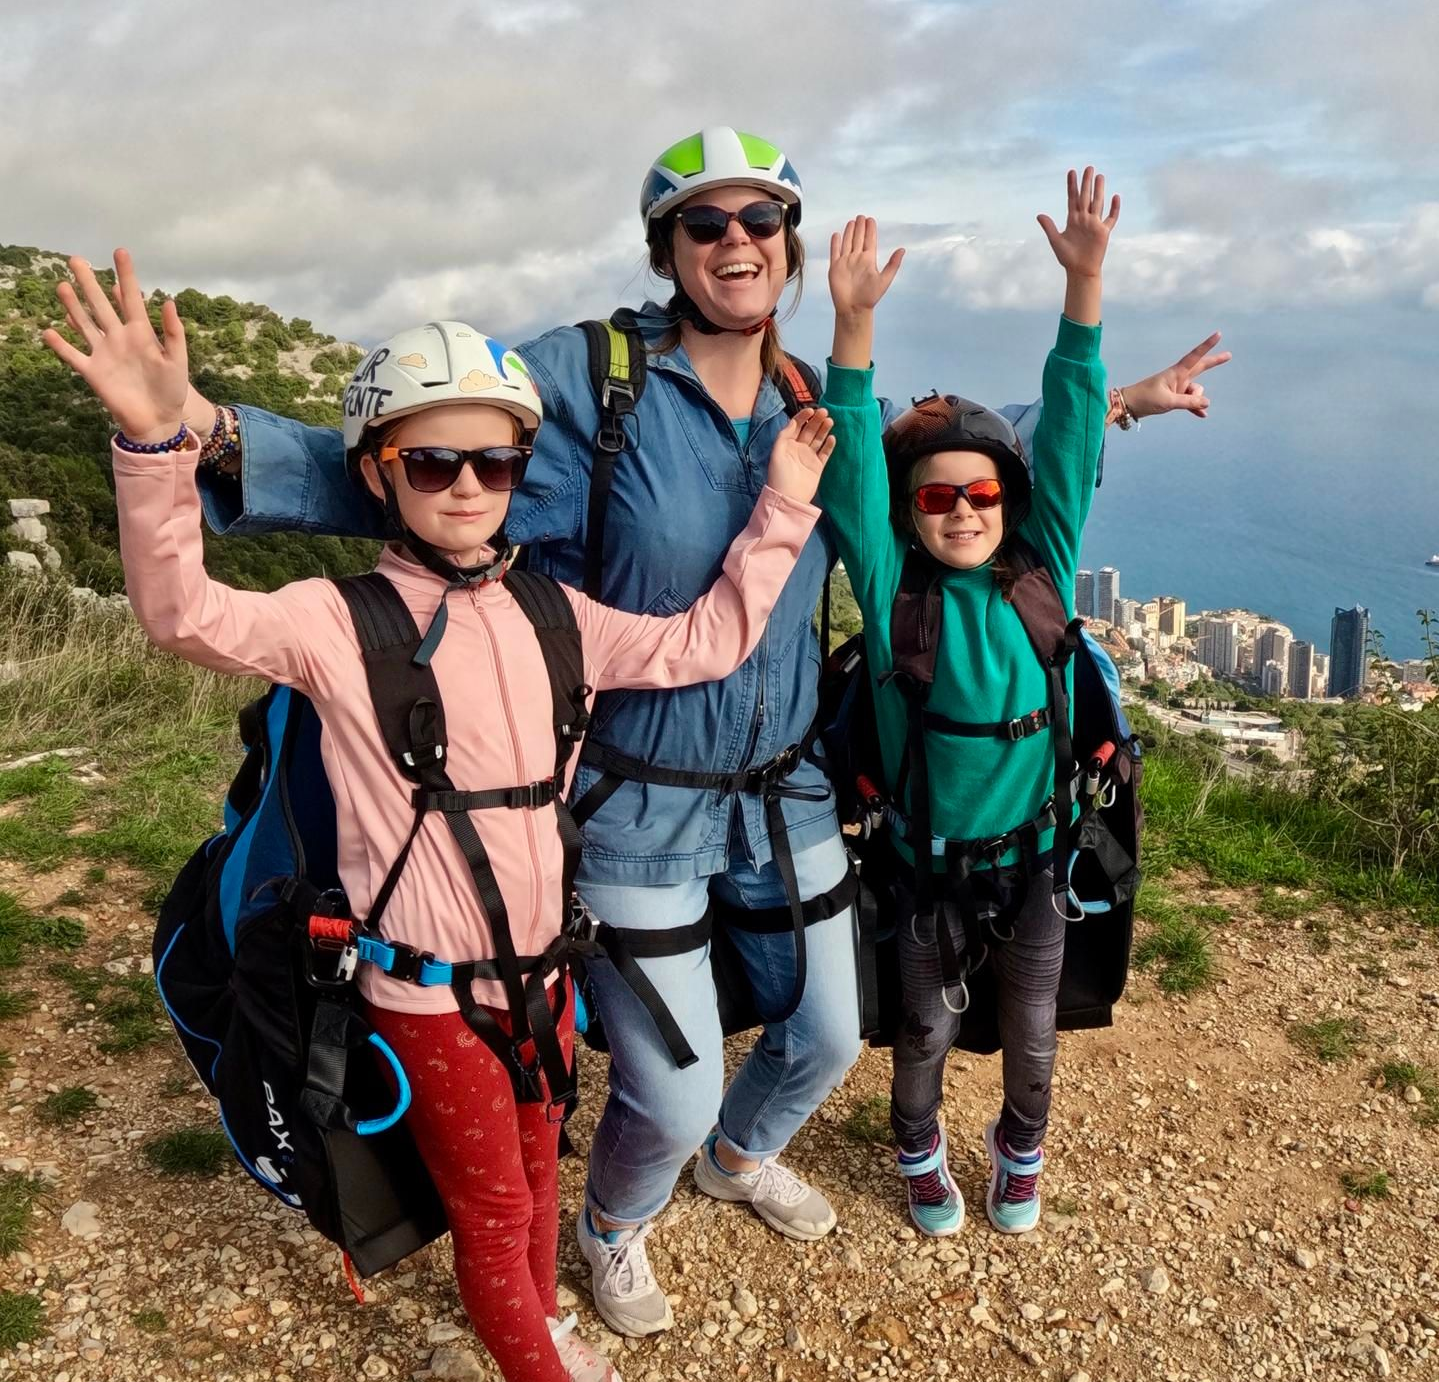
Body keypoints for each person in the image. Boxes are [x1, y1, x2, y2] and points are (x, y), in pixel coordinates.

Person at [158, 127, 1228, 1334]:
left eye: (760, 221)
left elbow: (940, 462)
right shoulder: (591, 375)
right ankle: (614, 1220)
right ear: (664, 245)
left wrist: (1121, 398)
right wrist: (219, 435)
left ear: (790, 242)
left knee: (829, 1032)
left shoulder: (815, 400)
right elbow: (421, 440)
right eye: (706, 223)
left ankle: (734, 1154)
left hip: (791, 786)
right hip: (635, 795)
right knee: (664, 1088)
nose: (736, 243)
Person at [42, 250, 837, 1381]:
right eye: (433, 461)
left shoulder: (553, 610)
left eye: (498, 461)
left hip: (544, 976)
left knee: (536, 1169)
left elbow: (704, 640)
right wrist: (154, 448)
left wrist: (782, 506)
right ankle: (535, 1357)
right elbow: (180, 613)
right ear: (378, 474)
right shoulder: (333, 621)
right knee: (490, 1203)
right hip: (423, 994)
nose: (468, 486)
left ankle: (538, 1317)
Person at [819, 169, 1153, 1237]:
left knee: (1032, 1028)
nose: (960, 510)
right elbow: (853, 479)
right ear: (909, 511)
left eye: (979, 494)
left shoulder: (1039, 569)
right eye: (934, 496)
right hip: (925, 865)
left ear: (1006, 504)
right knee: (916, 1030)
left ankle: (1019, 1150)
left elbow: (1066, 433)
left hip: (1039, 855)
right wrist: (853, 325)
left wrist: (1084, 293)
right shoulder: (891, 588)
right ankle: (916, 1149)